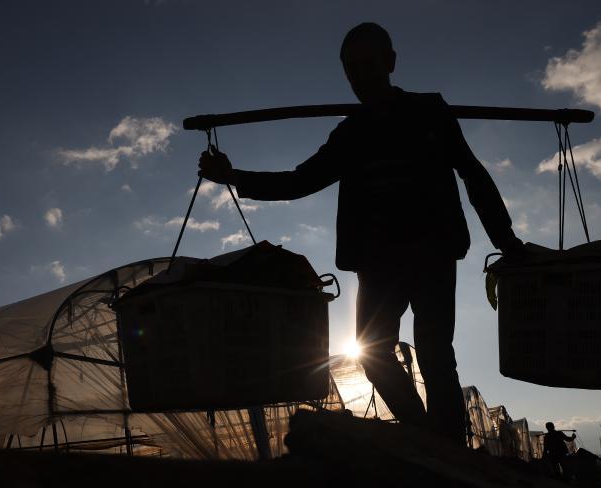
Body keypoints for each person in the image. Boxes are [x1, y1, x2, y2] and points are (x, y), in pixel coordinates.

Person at [199, 22, 525, 444]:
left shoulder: (429, 112)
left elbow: (473, 175)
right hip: (378, 262)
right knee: (373, 354)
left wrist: (506, 241)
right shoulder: (351, 132)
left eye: (368, 65)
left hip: (431, 252)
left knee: (435, 354)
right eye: (352, 69)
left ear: (390, 63)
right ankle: (427, 436)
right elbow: (299, 181)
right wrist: (233, 176)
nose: (360, 77)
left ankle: (445, 443)